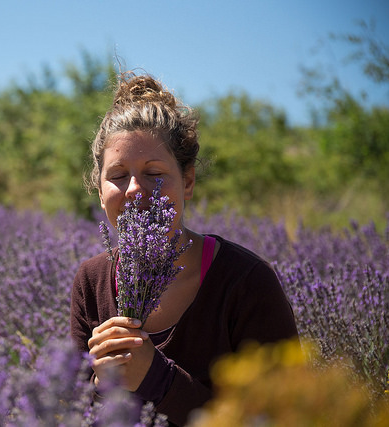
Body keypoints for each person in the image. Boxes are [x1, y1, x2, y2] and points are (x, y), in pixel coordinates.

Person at [69, 71, 298, 426]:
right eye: (117, 175)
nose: (133, 189)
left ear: (187, 181)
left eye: (153, 172)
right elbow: (75, 410)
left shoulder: (246, 283)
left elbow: (285, 417)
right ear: (100, 193)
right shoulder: (92, 280)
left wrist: (157, 379)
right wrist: (101, 384)